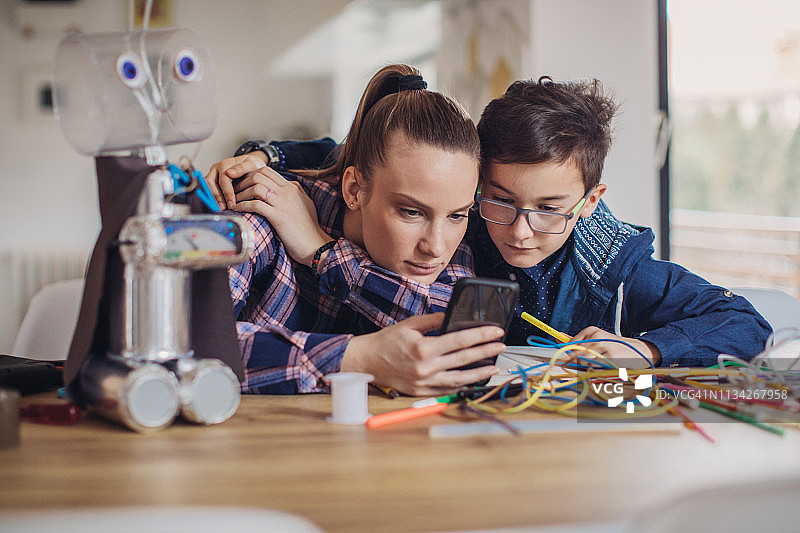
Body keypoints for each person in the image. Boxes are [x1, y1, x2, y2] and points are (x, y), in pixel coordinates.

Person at [213, 76, 772, 369]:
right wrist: (270, 158)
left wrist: (646, 351)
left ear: (591, 200)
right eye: (499, 200)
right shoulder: (462, 226)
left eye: (550, 208)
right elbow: (350, 155)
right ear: (478, 183)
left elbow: (743, 321)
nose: (520, 231)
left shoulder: (615, 266)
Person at [205, 64, 505, 395]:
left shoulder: (453, 241)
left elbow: (461, 340)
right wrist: (357, 359)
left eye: (457, 215)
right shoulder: (260, 217)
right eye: (410, 212)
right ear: (354, 190)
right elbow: (191, 343)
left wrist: (326, 255)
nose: (435, 247)